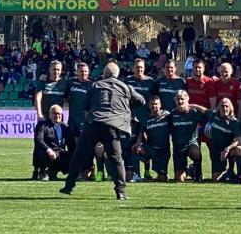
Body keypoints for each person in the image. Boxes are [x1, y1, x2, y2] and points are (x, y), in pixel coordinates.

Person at [59, 62, 147, 200]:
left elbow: (85, 106)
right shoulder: (126, 87)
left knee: (79, 155)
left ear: (105, 74)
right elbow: (141, 101)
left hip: (94, 123)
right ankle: (120, 192)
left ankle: (69, 186)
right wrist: (126, 108)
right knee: (116, 159)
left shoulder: (95, 85)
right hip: (113, 126)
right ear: (117, 75)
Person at [204, 97, 241, 182]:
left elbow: (239, 140)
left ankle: (239, 174)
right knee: (216, 179)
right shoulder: (214, 115)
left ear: (230, 108)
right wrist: (190, 106)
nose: (224, 108)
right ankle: (227, 173)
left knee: (239, 149)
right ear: (218, 107)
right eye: (222, 106)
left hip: (227, 151)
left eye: (226, 106)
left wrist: (227, 149)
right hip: (216, 150)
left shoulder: (234, 122)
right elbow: (203, 110)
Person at [135, 95, 173, 182]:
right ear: (148, 105)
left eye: (156, 104)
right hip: (151, 148)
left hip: (163, 151)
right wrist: (138, 144)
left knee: (162, 179)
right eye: (152, 104)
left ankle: (163, 173)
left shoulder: (167, 115)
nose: (154, 106)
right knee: (136, 149)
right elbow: (140, 133)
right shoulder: (146, 119)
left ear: (160, 105)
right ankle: (145, 172)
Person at [33, 104, 71, 181]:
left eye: (59, 114)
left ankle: (52, 172)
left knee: (74, 156)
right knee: (42, 153)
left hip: (59, 154)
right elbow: (38, 140)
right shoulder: (42, 124)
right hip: (46, 153)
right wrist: (48, 150)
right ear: (49, 114)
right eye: (54, 113)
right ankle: (42, 172)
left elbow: (70, 142)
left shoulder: (65, 127)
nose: (57, 116)